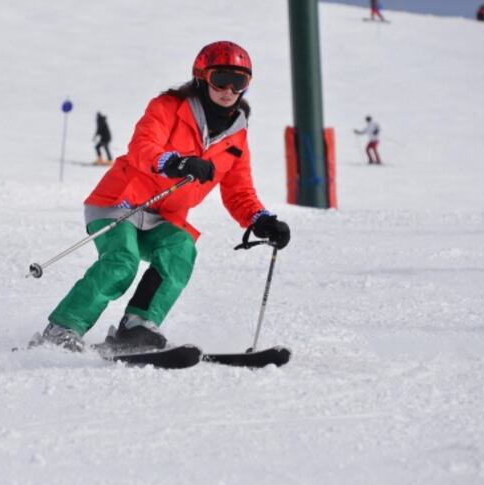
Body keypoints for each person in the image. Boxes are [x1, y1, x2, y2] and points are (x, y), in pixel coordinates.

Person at [29, 41, 290, 353]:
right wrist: (175, 162)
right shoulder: (168, 107)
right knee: (121, 263)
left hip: (164, 216)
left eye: (240, 82)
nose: (229, 89)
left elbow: (239, 190)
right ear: (203, 76)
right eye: (221, 79)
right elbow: (143, 145)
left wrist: (261, 221)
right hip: (119, 201)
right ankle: (61, 329)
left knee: (181, 252)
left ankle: (136, 327)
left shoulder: (237, 136)